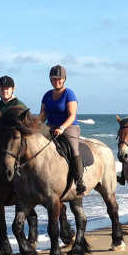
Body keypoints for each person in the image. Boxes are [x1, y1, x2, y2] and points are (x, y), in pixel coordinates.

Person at [38, 64, 85, 193]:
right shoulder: (47, 95)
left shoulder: (69, 94)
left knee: (74, 149)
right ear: (50, 80)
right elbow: (43, 115)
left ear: (64, 79)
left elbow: (72, 115)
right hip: (50, 127)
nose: (56, 81)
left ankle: (79, 181)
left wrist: (62, 127)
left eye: (59, 78)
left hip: (69, 127)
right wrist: (36, 127)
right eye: (54, 79)